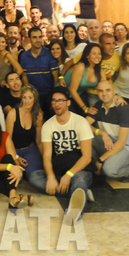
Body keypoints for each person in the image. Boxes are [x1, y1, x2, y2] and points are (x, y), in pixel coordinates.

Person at [32, 87, 93, 222]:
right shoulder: (48, 125)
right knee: (34, 176)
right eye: (54, 101)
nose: (57, 104)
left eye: (60, 100)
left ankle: (74, 211)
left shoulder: (80, 122)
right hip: (59, 167)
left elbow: (87, 157)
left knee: (79, 179)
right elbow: (47, 156)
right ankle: (79, 191)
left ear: (68, 103)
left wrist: (69, 175)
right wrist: (50, 177)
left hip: (78, 169)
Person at [86, 81, 129, 183]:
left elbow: (121, 143)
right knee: (86, 138)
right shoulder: (97, 106)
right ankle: (97, 169)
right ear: (97, 93)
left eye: (108, 90)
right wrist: (102, 133)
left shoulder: (124, 109)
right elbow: (83, 125)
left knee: (109, 170)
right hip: (110, 143)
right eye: (101, 91)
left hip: (127, 147)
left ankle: (127, 171)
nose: (104, 94)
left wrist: (101, 160)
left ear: (114, 91)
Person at [5, 84, 44, 187]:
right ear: (21, 99)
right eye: (24, 97)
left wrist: (46, 158)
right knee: (17, 178)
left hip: (30, 149)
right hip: (14, 149)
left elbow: (39, 141)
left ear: (34, 99)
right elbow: (7, 140)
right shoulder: (13, 113)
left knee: (34, 176)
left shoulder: (38, 115)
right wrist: (16, 157)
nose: (27, 101)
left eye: (30, 97)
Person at [19, 26, 59, 115]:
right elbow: (24, 76)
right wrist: (29, 94)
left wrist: (54, 96)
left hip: (49, 94)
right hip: (33, 95)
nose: (38, 40)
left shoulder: (49, 53)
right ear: (29, 39)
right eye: (34, 37)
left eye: (40, 37)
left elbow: (55, 77)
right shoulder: (24, 56)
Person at [68, 43, 103, 114]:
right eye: (94, 54)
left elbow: (105, 86)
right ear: (87, 56)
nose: (97, 56)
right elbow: (72, 90)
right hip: (65, 95)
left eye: (99, 54)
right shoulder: (81, 66)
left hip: (80, 94)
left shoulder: (99, 69)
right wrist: (85, 108)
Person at [0, 32, 23, 99]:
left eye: (3, 42)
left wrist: (8, 81)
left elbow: (20, 70)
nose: (0, 44)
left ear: (6, 44)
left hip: (5, 88)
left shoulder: (8, 55)